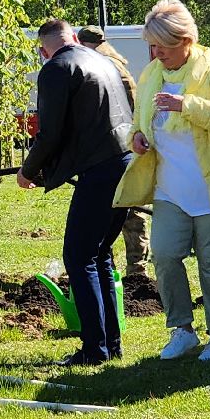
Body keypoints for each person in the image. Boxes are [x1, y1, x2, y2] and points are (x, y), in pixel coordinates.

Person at [113, 0, 210, 362]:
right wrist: (135, 138)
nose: (155, 53)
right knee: (164, 255)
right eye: (151, 46)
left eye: (161, 46)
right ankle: (182, 330)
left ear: (184, 40)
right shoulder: (151, 74)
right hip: (170, 190)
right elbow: (139, 121)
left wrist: (188, 106)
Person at [18, 19, 134, 365]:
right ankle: (110, 345)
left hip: (100, 170)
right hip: (123, 161)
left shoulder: (56, 68)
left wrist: (28, 170)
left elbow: (50, 132)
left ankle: (94, 349)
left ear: (43, 49)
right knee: (100, 255)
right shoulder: (102, 60)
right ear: (73, 37)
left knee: (79, 257)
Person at [79, 25, 149, 280]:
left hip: (118, 149)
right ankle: (131, 269)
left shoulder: (105, 66)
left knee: (127, 212)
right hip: (124, 146)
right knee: (128, 211)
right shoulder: (115, 63)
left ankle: (135, 272)